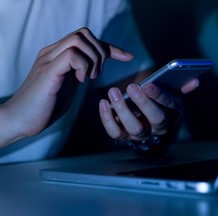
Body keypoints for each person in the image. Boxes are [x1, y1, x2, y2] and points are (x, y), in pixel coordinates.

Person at [0, 0, 199, 164]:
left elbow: (140, 101)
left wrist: (153, 130)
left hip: (37, 190)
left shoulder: (103, 4)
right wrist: (12, 119)